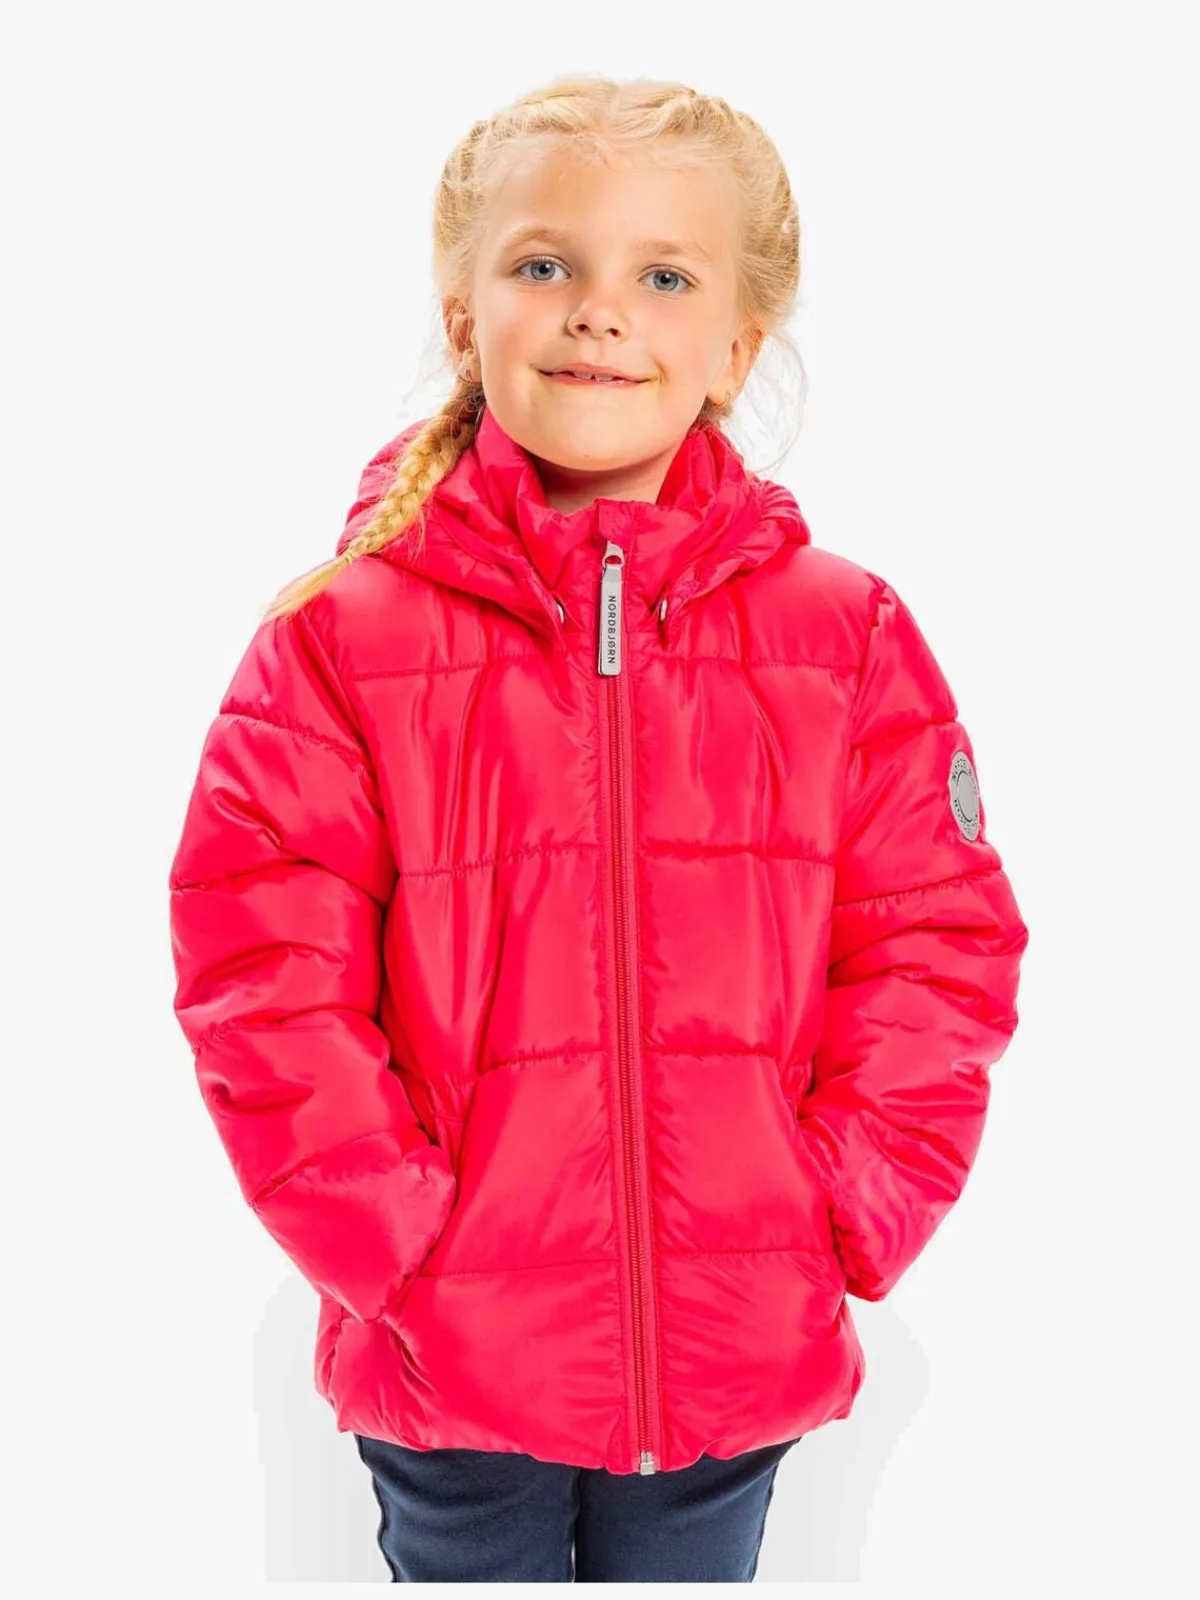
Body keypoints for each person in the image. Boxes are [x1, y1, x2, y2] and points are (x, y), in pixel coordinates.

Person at [167, 73, 1030, 1583]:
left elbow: (936, 947)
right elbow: (260, 968)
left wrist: (841, 1211)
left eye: (665, 277)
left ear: (736, 348)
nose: (599, 312)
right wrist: (394, 1245)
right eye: (545, 263)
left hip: (733, 1345)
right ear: (464, 319)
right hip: (453, 1361)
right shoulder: (339, 640)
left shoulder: (846, 639)